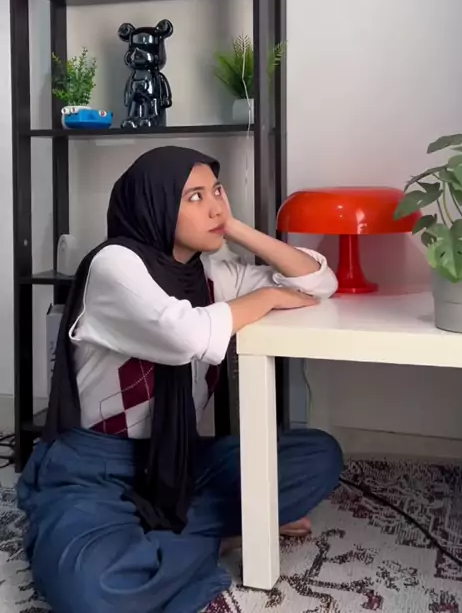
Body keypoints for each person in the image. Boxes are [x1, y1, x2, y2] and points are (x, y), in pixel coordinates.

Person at [17, 145, 342, 613]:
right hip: (95, 466)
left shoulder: (205, 274)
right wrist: (265, 298)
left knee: (318, 456)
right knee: (91, 588)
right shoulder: (114, 264)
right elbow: (184, 335)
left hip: (177, 459)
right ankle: (217, 533)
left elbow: (318, 282)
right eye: (194, 197)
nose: (214, 206)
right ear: (155, 203)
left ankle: (168, 532)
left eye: (217, 191)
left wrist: (235, 228)